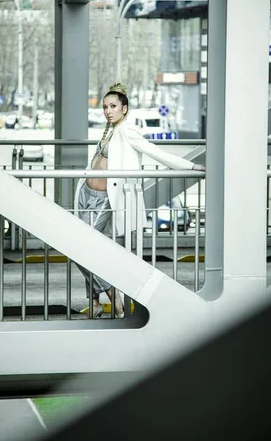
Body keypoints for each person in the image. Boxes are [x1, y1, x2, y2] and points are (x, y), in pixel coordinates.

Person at [74, 82, 205, 319]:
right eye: (105, 107)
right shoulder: (109, 131)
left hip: (105, 199)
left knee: (80, 248)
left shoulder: (127, 131)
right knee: (86, 248)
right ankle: (94, 302)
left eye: (113, 106)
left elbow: (156, 152)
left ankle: (114, 294)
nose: (108, 111)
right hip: (86, 194)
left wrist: (191, 165)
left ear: (124, 108)